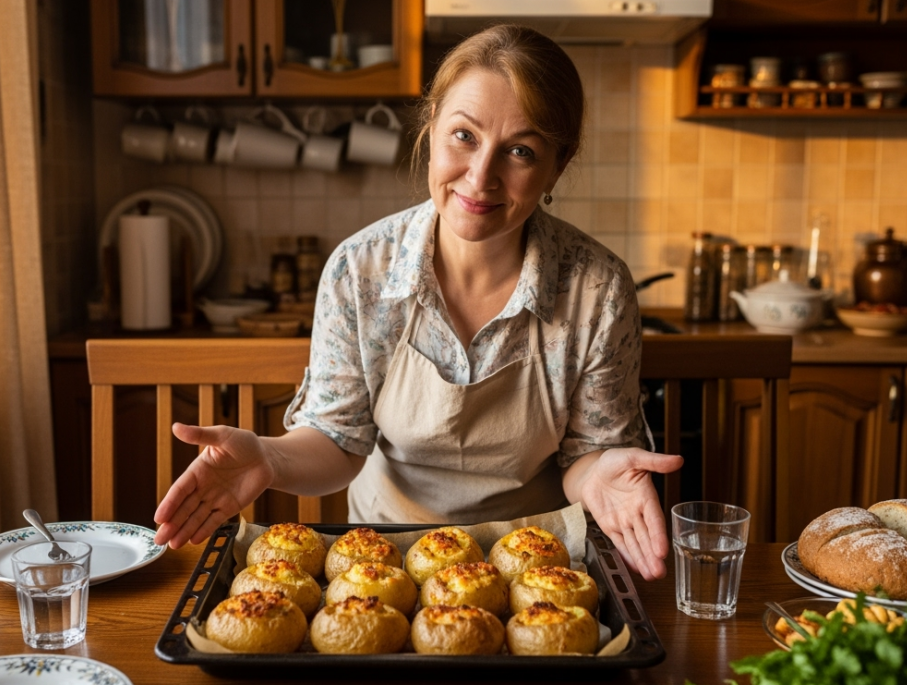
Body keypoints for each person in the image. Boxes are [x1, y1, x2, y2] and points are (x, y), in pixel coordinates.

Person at [152, 25, 683, 581]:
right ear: (431, 128)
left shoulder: (597, 289)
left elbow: (585, 458)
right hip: (380, 567)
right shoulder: (360, 270)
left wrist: (599, 472)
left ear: (558, 164)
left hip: (533, 570)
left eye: (520, 151)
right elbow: (337, 441)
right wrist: (268, 457)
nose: (481, 176)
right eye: (464, 136)